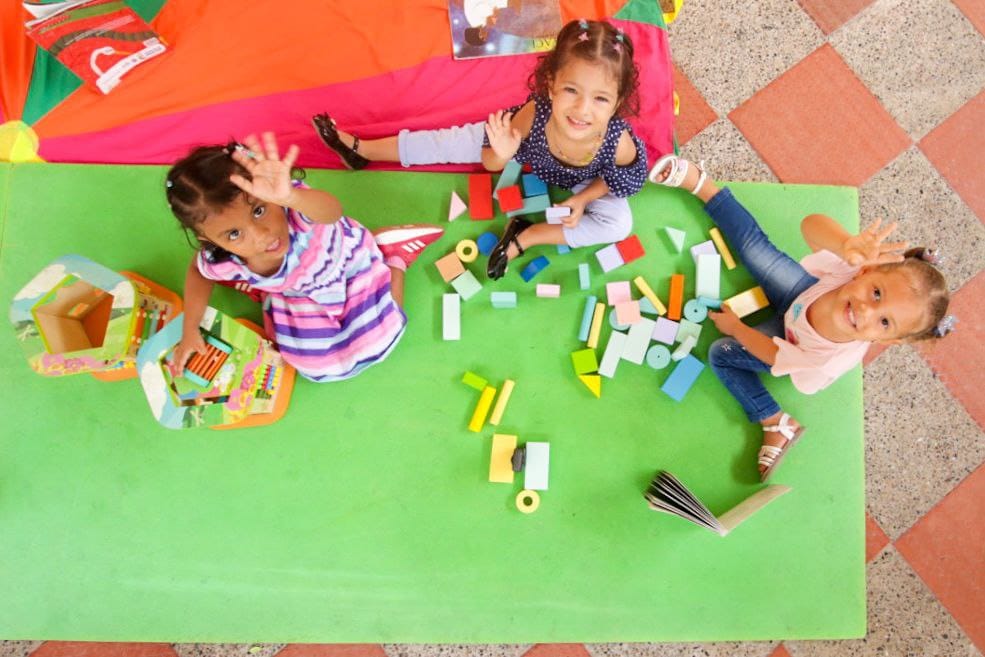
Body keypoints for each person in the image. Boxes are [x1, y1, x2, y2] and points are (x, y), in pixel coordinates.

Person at [650, 155, 955, 481]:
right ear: (866, 271)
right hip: (801, 296)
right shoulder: (853, 268)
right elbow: (811, 225)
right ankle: (703, 185)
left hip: (790, 344)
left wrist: (737, 328)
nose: (867, 309)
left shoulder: (823, 358)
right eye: (876, 293)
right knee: (755, 247)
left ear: (887, 341)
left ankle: (775, 421)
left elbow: (772, 353)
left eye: (884, 322)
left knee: (720, 355)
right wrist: (845, 244)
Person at [311, 18, 650, 279]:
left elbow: (622, 180)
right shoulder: (536, 113)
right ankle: (362, 150)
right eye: (571, 91)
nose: (582, 110)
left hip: (582, 178)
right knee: (445, 142)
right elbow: (490, 162)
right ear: (551, 85)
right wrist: (503, 151)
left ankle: (525, 236)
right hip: (522, 145)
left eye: (600, 98)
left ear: (617, 102)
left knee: (620, 223)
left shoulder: (616, 141)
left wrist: (582, 199)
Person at [165, 132, 443, 382]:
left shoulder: (298, 215)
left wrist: (290, 198)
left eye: (260, 211)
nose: (261, 235)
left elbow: (332, 211)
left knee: (382, 337)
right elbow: (199, 271)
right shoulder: (223, 259)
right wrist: (190, 328)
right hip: (302, 296)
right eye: (234, 234)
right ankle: (262, 291)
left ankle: (394, 257)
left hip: (349, 269)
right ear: (209, 241)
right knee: (310, 365)